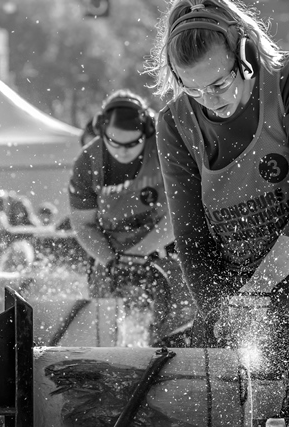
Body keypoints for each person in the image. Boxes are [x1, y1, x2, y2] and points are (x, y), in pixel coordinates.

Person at [146, 1, 289, 425]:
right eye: (193, 89)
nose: (210, 101)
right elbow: (193, 241)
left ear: (245, 55)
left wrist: (257, 291)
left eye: (219, 83)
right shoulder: (175, 124)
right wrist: (221, 313)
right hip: (244, 288)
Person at [68, 89, 184, 346]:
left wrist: (140, 252)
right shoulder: (88, 161)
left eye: (132, 143)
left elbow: (181, 214)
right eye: (114, 142)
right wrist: (111, 260)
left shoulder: (166, 148)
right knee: (107, 335)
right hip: (110, 254)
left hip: (164, 247)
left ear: (147, 132)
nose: (122, 151)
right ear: (102, 130)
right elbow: (84, 224)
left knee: (174, 334)